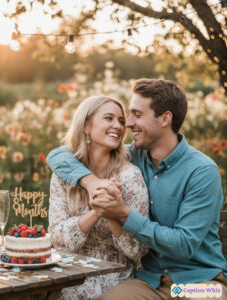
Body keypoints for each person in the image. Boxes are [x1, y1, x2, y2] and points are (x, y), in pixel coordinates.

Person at [47, 79, 227, 300]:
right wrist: (91, 182)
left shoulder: (201, 171)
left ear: (165, 118)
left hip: (198, 282)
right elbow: (58, 156)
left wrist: (122, 213)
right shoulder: (134, 156)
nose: (128, 124)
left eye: (137, 115)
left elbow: (183, 245)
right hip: (150, 281)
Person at [48, 95, 149, 299]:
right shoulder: (64, 174)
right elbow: (57, 239)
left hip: (116, 280)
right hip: (69, 276)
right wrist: (96, 211)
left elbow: (137, 250)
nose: (118, 126)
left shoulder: (130, 176)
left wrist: (112, 213)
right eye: (109, 118)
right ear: (86, 126)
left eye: (121, 121)